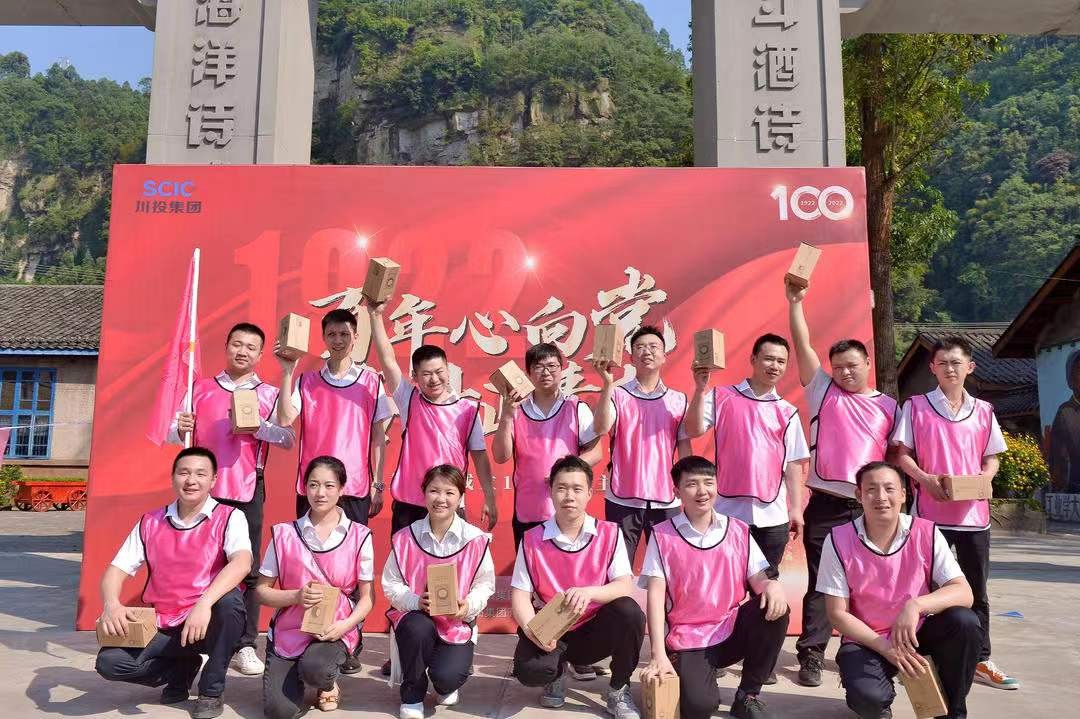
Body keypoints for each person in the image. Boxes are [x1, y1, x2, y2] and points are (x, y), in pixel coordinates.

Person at [785, 282, 898, 687]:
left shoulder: (889, 406)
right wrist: (795, 304)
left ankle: (870, 650)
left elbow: (895, 460)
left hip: (872, 510)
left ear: (867, 362)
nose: (845, 372)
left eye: (852, 364)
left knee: (871, 583)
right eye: (838, 367)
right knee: (821, 582)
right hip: (828, 504)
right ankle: (812, 655)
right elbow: (802, 346)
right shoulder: (822, 391)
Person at [891, 335, 1016, 690]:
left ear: (970, 367)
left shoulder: (984, 410)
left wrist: (985, 478)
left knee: (977, 590)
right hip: (930, 517)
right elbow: (901, 454)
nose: (950, 368)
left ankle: (981, 658)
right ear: (932, 368)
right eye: (943, 362)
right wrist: (924, 479)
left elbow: (992, 457)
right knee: (926, 589)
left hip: (975, 518)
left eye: (956, 362)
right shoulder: (916, 406)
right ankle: (920, 656)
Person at [170, 322, 294, 676]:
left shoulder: (268, 394)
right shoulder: (200, 388)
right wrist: (179, 428)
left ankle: (244, 645)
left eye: (251, 347)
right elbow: (170, 433)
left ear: (260, 354)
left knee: (248, 570)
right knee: (200, 566)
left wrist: (259, 428)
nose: (243, 351)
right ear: (226, 347)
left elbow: (287, 438)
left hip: (246, 489)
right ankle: (200, 640)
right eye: (237, 344)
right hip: (202, 492)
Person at [95, 447, 250, 719]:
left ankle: (211, 691)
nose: (191, 480)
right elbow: (115, 570)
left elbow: (241, 563)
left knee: (230, 604)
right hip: (164, 625)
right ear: (173, 477)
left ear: (213, 480)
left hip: (208, 622)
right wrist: (111, 604)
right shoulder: (150, 521)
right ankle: (181, 669)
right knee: (110, 663)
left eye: (200, 474)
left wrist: (204, 604)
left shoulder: (230, 517)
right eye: (184, 473)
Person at [820, 461, 981, 719]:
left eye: (889, 488)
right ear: (859, 495)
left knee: (964, 622)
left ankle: (953, 712)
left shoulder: (926, 532)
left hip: (918, 632)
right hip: (869, 639)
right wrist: (887, 648)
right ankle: (880, 700)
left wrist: (915, 605)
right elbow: (838, 614)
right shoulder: (838, 539)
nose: (881, 497)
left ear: (904, 494)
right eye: (871, 489)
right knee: (869, 700)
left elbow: (964, 593)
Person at [640, 456, 790, 719]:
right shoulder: (662, 535)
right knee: (699, 708)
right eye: (692, 484)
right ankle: (685, 669)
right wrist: (657, 654)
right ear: (677, 491)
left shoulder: (738, 530)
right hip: (688, 637)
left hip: (730, 628)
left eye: (708, 482)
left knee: (775, 608)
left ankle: (748, 696)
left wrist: (772, 585)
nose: (702, 491)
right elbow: (654, 597)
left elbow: (759, 580)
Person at [510, 455, 644, 719]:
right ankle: (555, 673)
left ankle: (618, 690)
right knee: (530, 671)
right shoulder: (532, 539)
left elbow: (624, 585)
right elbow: (520, 596)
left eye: (577, 489)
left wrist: (589, 591)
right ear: (551, 492)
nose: (569, 496)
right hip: (553, 630)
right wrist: (531, 630)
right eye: (561, 488)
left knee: (629, 612)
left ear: (589, 494)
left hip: (593, 630)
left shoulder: (610, 533)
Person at [257, 456, 375, 719]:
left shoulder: (359, 535)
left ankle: (327, 682)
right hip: (290, 631)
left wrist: (346, 626)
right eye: (313, 484)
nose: (320, 493)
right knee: (279, 712)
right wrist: (296, 596)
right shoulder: (284, 534)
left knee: (317, 669)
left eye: (329, 486)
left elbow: (367, 598)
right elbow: (262, 591)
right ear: (304, 487)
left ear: (342, 489)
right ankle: (292, 672)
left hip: (334, 629)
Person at [368, 298, 497, 535]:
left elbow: (480, 456)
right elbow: (388, 361)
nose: (434, 379)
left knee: (450, 560)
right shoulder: (409, 400)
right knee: (406, 560)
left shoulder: (468, 409)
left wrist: (489, 497)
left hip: (450, 504)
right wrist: (375, 315)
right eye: (426, 374)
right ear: (415, 376)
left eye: (439, 372)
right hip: (410, 504)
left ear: (448, 370)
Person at [686, 333, 810, 577]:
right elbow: (693, 429)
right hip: (728, 511)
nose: (774, 366)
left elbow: (794, 464)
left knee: (766, 584)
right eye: (768, 359)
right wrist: (700, 390)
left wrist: (796, 508)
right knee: (724, 581)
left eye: (781, 361)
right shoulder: (722, 396)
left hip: (772, 517)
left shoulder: (787, 412)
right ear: (753, 359)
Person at [382, 465, 495, 719]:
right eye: (434, 491)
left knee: (447, 678)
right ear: (423, 493)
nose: (441, 499)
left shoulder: (475, 539)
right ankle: (412, 695)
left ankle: (444, 682)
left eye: (449, 492)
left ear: (461, 497)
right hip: (417, 616)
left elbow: (485, 584)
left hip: (456, 622)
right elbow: (391, 582)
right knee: (416, 628)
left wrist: (467, 606)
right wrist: (415, 601)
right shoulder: (405, 537)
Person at [276, 308, 395, 526]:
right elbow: (284, 420)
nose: (338, 340)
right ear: (323, 338)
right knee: (308, 545)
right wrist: (287, 372)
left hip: (354, 487)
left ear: (355, 337)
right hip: (314, 487)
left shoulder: (370, 382)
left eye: (344, 334)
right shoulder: (306, 381)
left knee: (352, 546)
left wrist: (378, 485)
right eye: (332, 334)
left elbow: (379, 437)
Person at [592, 324, 691, 564]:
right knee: (619, 566)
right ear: (631, 357)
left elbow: (685, 448)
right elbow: (601, 428)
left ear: (664, 356)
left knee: (669, 566)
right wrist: (607, 385)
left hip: (665, 496)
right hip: (623, 497)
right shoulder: (618, 395)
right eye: (640, 347)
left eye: (653, 347)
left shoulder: (678, 400)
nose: (647, 351)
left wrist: (687, 486)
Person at [491, 342, 602, 548]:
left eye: (552, 366)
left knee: (566, 565)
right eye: (538, 367)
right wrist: (506, 416)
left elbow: (596, 452)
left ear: (561, 369)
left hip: (567, 509)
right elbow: (500, 456)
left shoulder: (575, 407)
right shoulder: (517, 410)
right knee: (529, 566)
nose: (546, 372)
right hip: (528, 509)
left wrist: (562, 472)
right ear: (528, 373)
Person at [1049, 349, 1080, 493]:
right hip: (1075, 489)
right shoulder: (1065, 413)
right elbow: (1057, 456)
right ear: (1071, 380)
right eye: (1079, 370)